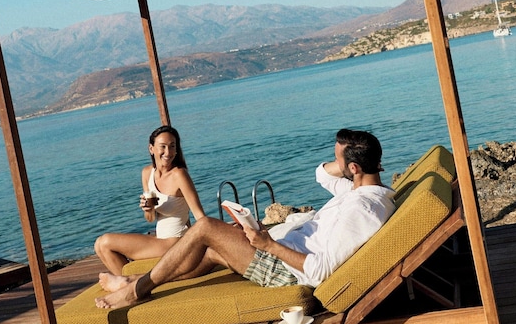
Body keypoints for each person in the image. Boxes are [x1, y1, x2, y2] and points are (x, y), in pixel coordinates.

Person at [95, 128, 395, 308]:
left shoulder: (362, 209)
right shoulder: (358, 190)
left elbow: (320, 271)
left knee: (205, 227)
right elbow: (322, 174)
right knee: (212, 251)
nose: (335, 164)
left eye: (340, 160)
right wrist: (347, 160)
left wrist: (268, 244)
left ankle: (135, 291)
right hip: (282, 246)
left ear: (353, 168)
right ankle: (132, 279)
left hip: (286, 271)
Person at [94, 125, 206, 276]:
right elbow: (150, 218)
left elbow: (200, 216)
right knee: (100, 245)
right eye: (163, 147)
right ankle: (133, 283)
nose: (168, 152)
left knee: (105, 242)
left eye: (172, 146)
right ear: (151, 149)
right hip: (160, 239)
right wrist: (148, 209)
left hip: (175, 242)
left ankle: (130, 284)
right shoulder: (147, 173)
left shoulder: (179, 175)